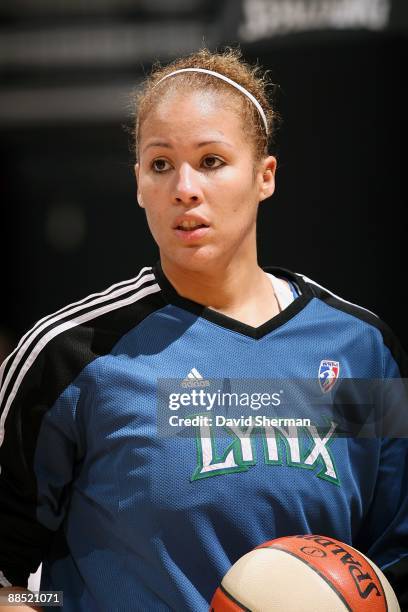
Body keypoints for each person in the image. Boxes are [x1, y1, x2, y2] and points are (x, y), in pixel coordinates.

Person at [0, 47, 407, 611]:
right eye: (160, 164)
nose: (184, 188)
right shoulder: (71, 357)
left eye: (212, 161)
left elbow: (393, 561)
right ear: (138, 184)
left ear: (265, 176)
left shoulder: (358, 350)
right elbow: (11, 580)